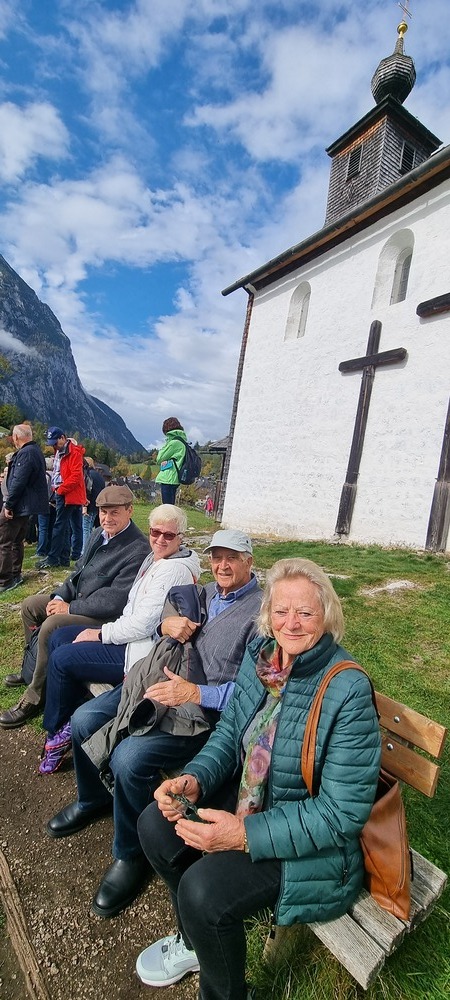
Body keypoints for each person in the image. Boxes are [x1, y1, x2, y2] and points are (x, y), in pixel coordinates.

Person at [135, 557, 381, 999]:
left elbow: (341, 814)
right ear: (268, 614)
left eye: (305, 612)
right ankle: (196, 942)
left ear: (327, 616)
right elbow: (231, 732)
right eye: (281, 610)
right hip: (257, 795)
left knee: (203, 892)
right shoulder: (264, 657)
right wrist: (195, 779)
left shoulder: (347, 690)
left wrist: (243, 835)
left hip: (311, 840)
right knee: (155, 824)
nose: (291, 623)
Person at [46, 529, 261, 921]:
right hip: (154, 681)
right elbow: (163, 615)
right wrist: (167, 625)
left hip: (200, 715)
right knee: (83, 719)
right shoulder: (206, 592)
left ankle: (130, 854)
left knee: (128, 759)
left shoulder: (260, 616)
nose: (222, 565)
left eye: (232, 557)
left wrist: (196, 693)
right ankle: (93, 799)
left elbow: (251, 692)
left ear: (250, 561)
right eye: (216, 557)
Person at [38, 504, 200, 772]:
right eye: (155, 532)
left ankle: (55, 734)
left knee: (61, 658)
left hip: (139, 653)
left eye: (169, 535)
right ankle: (69, 713)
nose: (160, 539)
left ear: (180, 537)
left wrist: (100, 633)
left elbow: (144, 625)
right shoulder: (156, 558)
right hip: (128, 637)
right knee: (60, 636)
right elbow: (133, 610)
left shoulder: (173, 569)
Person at [0, 485, 150, 728]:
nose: (107, 518)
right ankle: (32, 669)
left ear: (129, 510)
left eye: (114, 512)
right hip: (79, 602)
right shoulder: (99, 533)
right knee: (30, 606)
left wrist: (70, 609)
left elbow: (114, 600)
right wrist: (60, 597)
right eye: (103, 512)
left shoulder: (138, 548)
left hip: (105, 617)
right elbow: (78, 571)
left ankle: (35, 696)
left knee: (52, 625)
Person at [0, 425, 48, 593]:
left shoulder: (26, 453)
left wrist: (9, 505)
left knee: (3, 542)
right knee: (16, 541)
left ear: (16, 437)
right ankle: (15, 574)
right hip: (26, 506)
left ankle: (5, 580)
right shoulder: (36, 451)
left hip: (18, 505)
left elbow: (18, 481)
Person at [37, 427, 86, 569]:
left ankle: (53, 558)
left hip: (67, 494)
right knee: (64, 527)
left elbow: (76, 476)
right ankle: (63, 558)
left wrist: (60, 490)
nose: (54, 445)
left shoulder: (73, 452)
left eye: (55, 442)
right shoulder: (61, 451)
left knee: (59, 526)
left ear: (63, 438)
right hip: (64, 493)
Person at [155, 417, 187, 505]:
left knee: (167, 507)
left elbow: (159, 458)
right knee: (170, 505)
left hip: (169, 477)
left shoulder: (174, 443)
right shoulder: (181, 441)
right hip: (175, 478)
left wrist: (165, 448)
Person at [81, 457, 105, 553]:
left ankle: (85, 550)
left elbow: (87, 490)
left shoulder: (88, 475)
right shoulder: (100, 476)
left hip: (89, 504)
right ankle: (90, 548)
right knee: (91, 528)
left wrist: (84, 506)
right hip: (97, 505)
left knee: (86, 528)